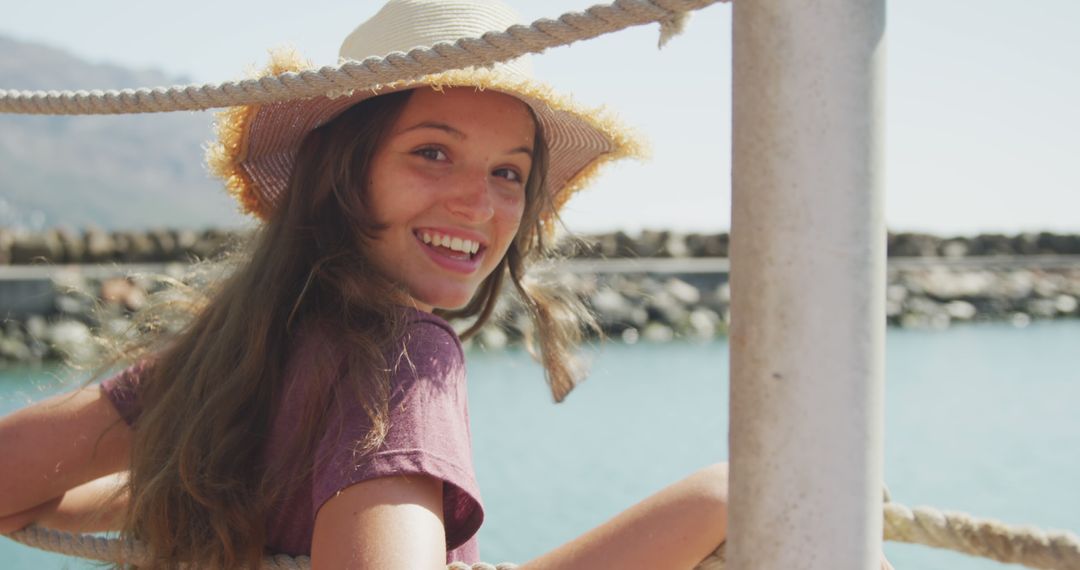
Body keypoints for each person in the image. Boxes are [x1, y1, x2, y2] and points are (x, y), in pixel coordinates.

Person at [0, 1, 890, 569]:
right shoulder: (400, 354)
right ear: (342, 175)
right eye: (432, 153)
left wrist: (197, 496)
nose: (481, 202)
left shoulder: (238, 346)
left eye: (510, 173)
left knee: (733, 490)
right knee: (759, 496)